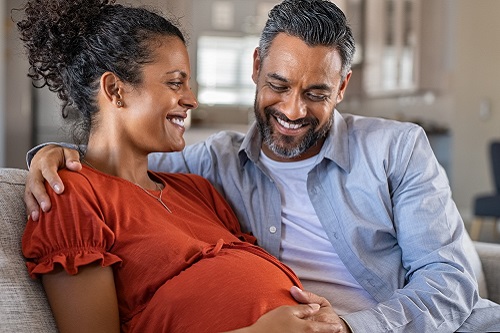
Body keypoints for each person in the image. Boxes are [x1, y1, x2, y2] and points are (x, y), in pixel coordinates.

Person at [24, 0, 500, 332]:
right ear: (255, 67)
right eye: (278, 85)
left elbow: (449, 280)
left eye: (316, 93)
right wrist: (53, 154)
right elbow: (111, 158)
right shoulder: (211, 163)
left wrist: (352, 326)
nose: (293, 111)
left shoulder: (396, 148)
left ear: (343, 86)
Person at [17, 0, 348, 332]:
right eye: (175, 83)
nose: (192, 99)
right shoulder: (71, 196)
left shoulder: (196, 189)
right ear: (115, 90)